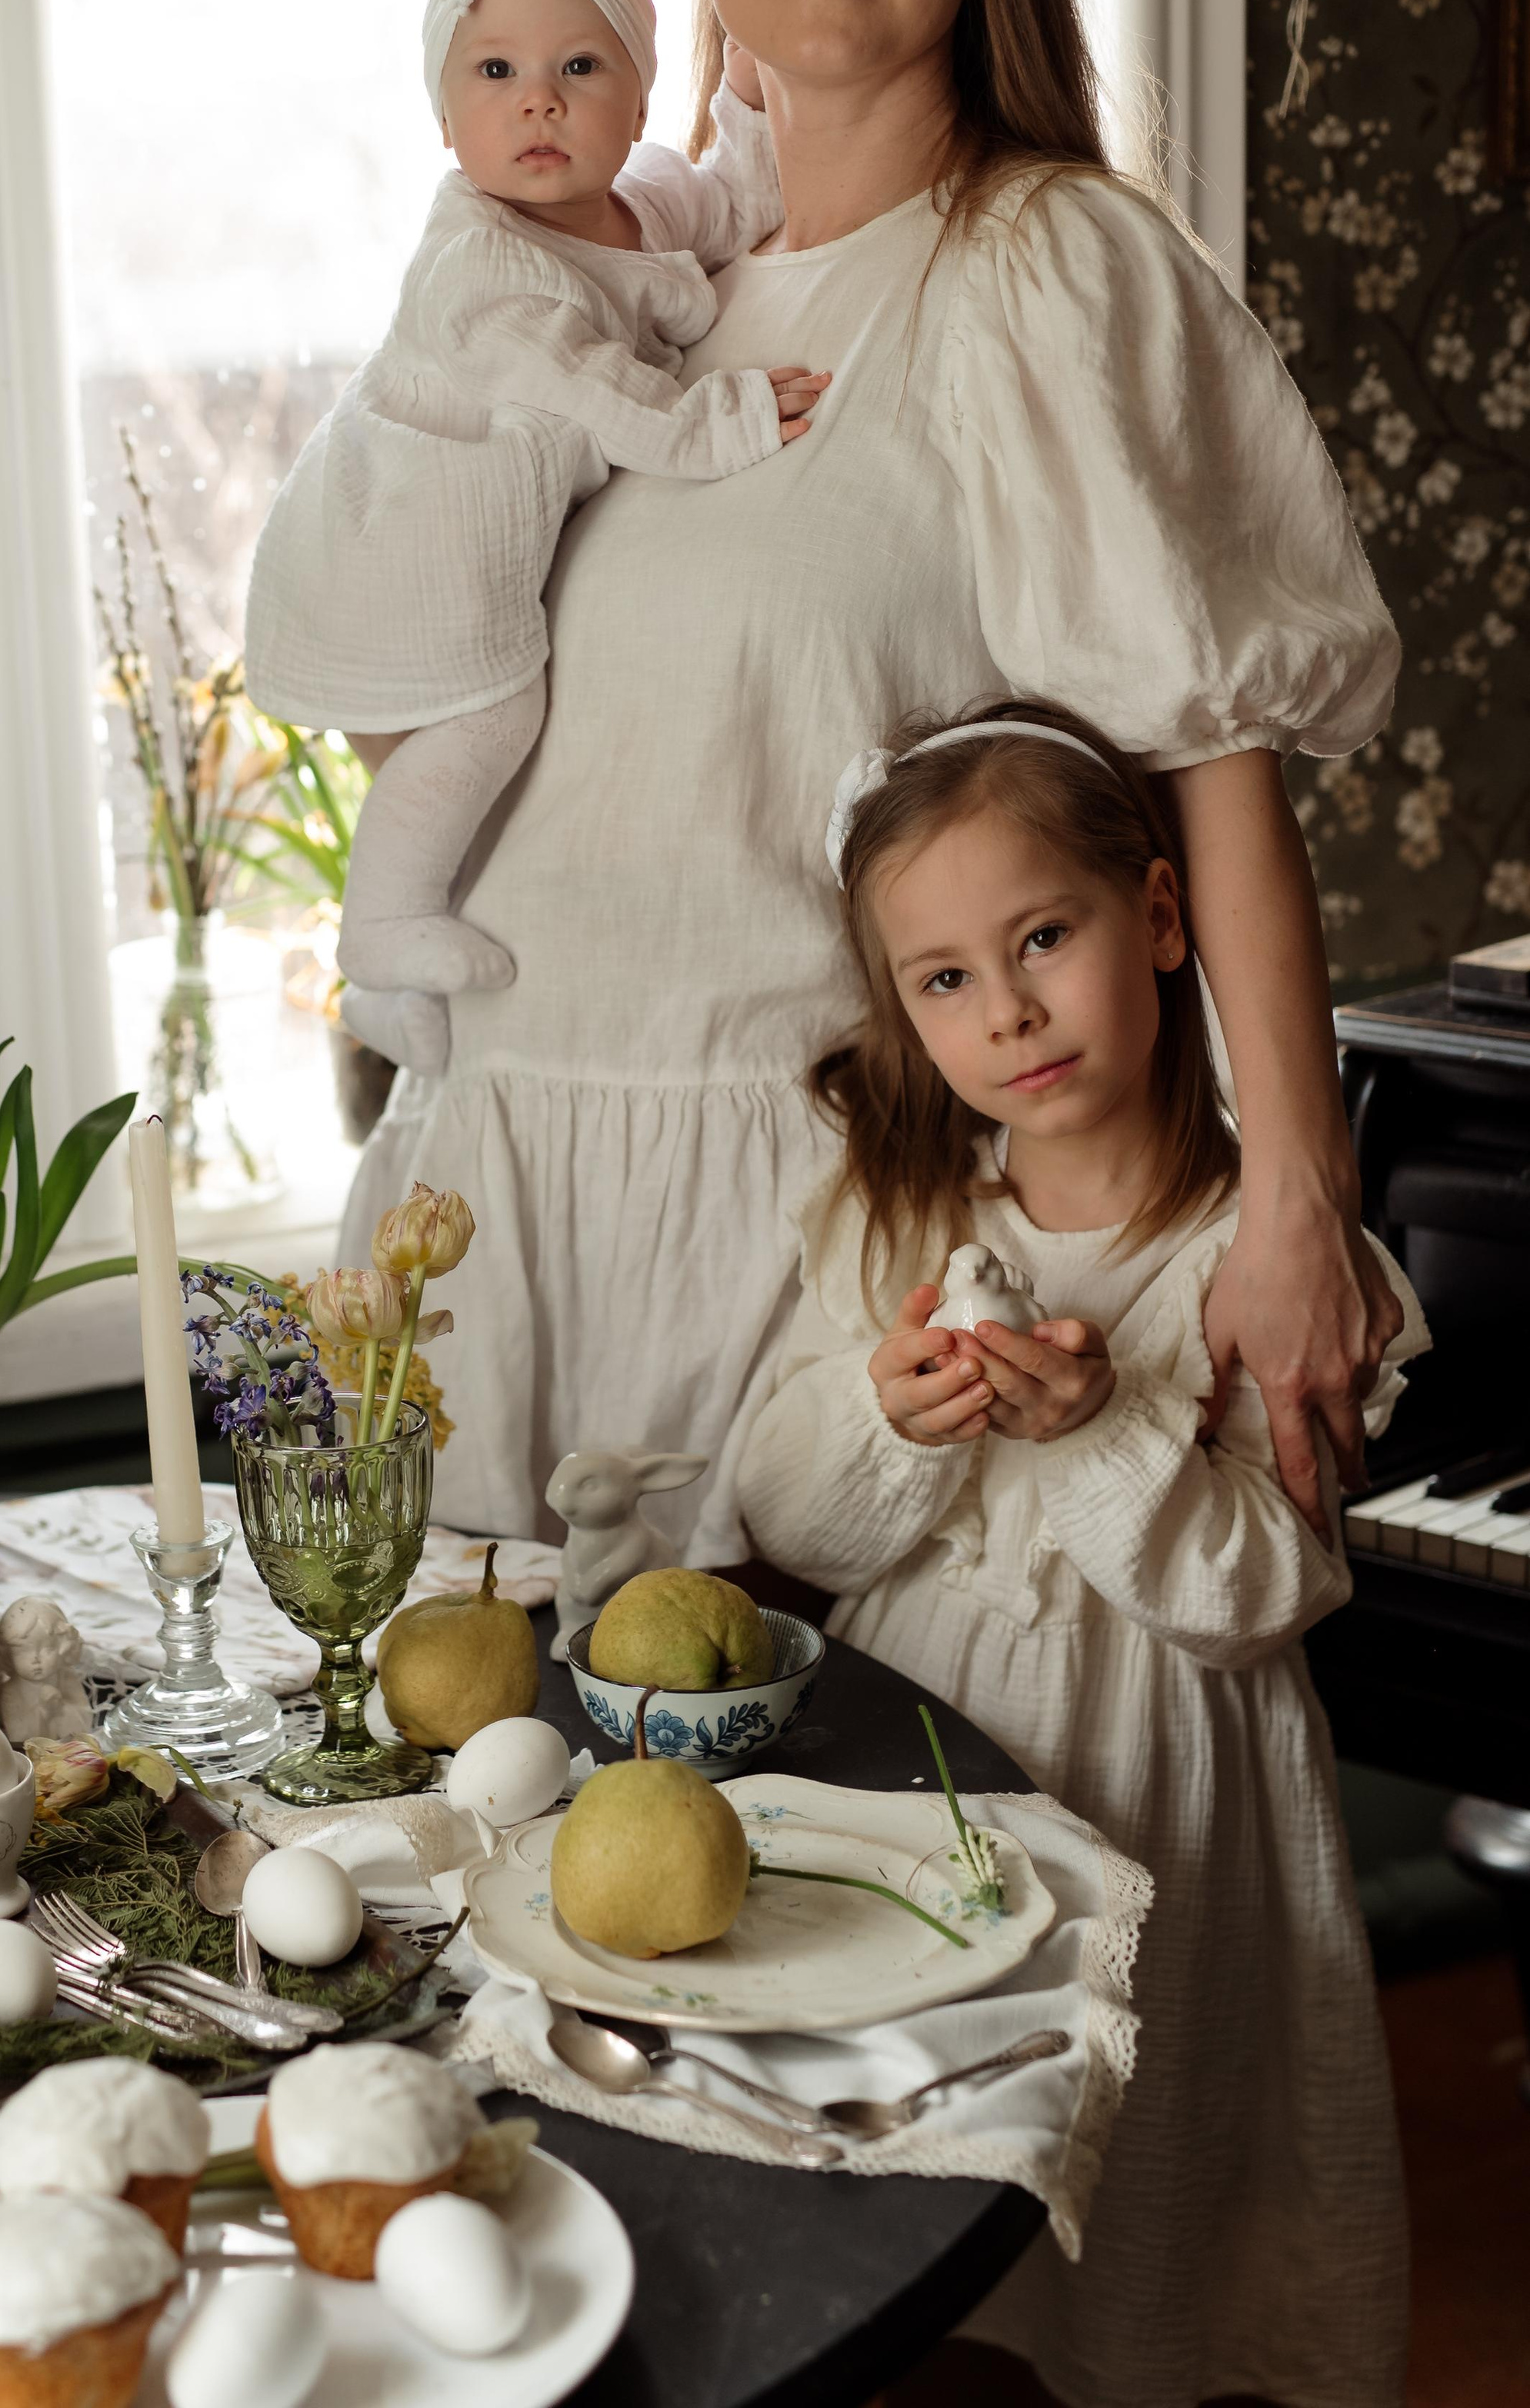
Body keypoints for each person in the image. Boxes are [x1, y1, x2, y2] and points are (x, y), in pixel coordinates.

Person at [253, 0, 1403, 1560]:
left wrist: (1293, 1197)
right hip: (490, 1191)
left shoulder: (1038, 264)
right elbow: (434, 691)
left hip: (814, 1238)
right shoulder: (616, 286)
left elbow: (1210, 752)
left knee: (780, 1822)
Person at [737, 700, 1423, 2408]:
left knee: (1151, 2186)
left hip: (1174, 1802)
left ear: (1163, 918)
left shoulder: (1262, 1264)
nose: (1009, 1010)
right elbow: (788, 1522)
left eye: (1043, 936)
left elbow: (1266, 1592)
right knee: (939, 2203)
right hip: (926, 1775)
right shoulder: (892, 1219)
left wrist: (1101, 1435)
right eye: (944, 979)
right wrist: (893, 1421)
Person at [245, 0, 825, 1077]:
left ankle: (391, 1004)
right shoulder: (483, 275)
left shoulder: (639, 204)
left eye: (580, 68)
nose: (539, 102)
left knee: (481, 805)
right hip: (392, 545)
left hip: (450, 531)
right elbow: (615, 400)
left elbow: (737, 201)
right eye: (496, 71)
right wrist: (737, 413)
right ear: (447, 114)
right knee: (487, 722)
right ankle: (381, 933)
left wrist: (755, 96)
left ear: (638, 93)